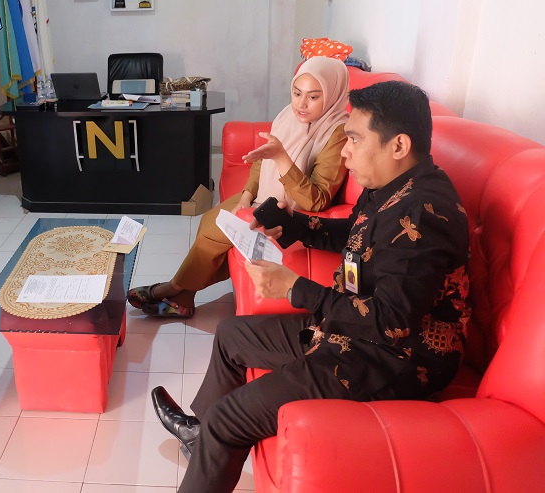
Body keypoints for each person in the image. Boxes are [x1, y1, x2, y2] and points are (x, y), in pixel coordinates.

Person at [150, 81, 471, 493]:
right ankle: (203, 438)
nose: (346, 151)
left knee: (232, 415)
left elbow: (391, 322)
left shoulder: (423, 214)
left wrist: (295, 289)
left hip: (393, 359)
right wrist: (293, 223)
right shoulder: (391, 187)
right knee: (231, 335)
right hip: (357, 329)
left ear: (398, 145)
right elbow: (355, 233)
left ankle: (216, 432)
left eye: (355, 139)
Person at [127, 56, 350, 317]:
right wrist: (245, 196)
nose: (301, 104)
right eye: (297, 93)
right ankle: (185, 297)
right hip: (264, 197)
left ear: (333, 94)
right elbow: (262, 162)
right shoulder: (287, 116)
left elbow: (317, 200)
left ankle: (173, 288)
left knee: (214, 235)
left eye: (313, 97)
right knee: (210, 221)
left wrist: (281, 158)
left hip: (291, 211)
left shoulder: (338, 132)